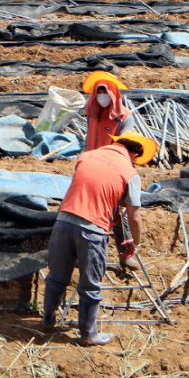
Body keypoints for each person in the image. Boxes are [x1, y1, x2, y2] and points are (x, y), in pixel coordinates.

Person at [41, 133, 156, 346]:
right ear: (135, 154)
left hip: (63, 223)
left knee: (56, 277)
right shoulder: (130, 173)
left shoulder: (86, 156)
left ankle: (48, 321)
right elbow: (134, 215)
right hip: (92, 230)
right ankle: (88, 334)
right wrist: (135, 243)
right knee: (91, 285)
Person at [80, 70, 139, 270]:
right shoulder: (93, 114)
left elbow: (126, 147)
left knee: (118, 214)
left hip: (113, 171)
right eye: (98, 93)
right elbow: (88, 141)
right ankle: (95, 257)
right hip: (90, 169)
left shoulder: (124, 117)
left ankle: (125, 256)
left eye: (105, 93)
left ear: (113, 94)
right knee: (91, 213)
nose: (102, 97)